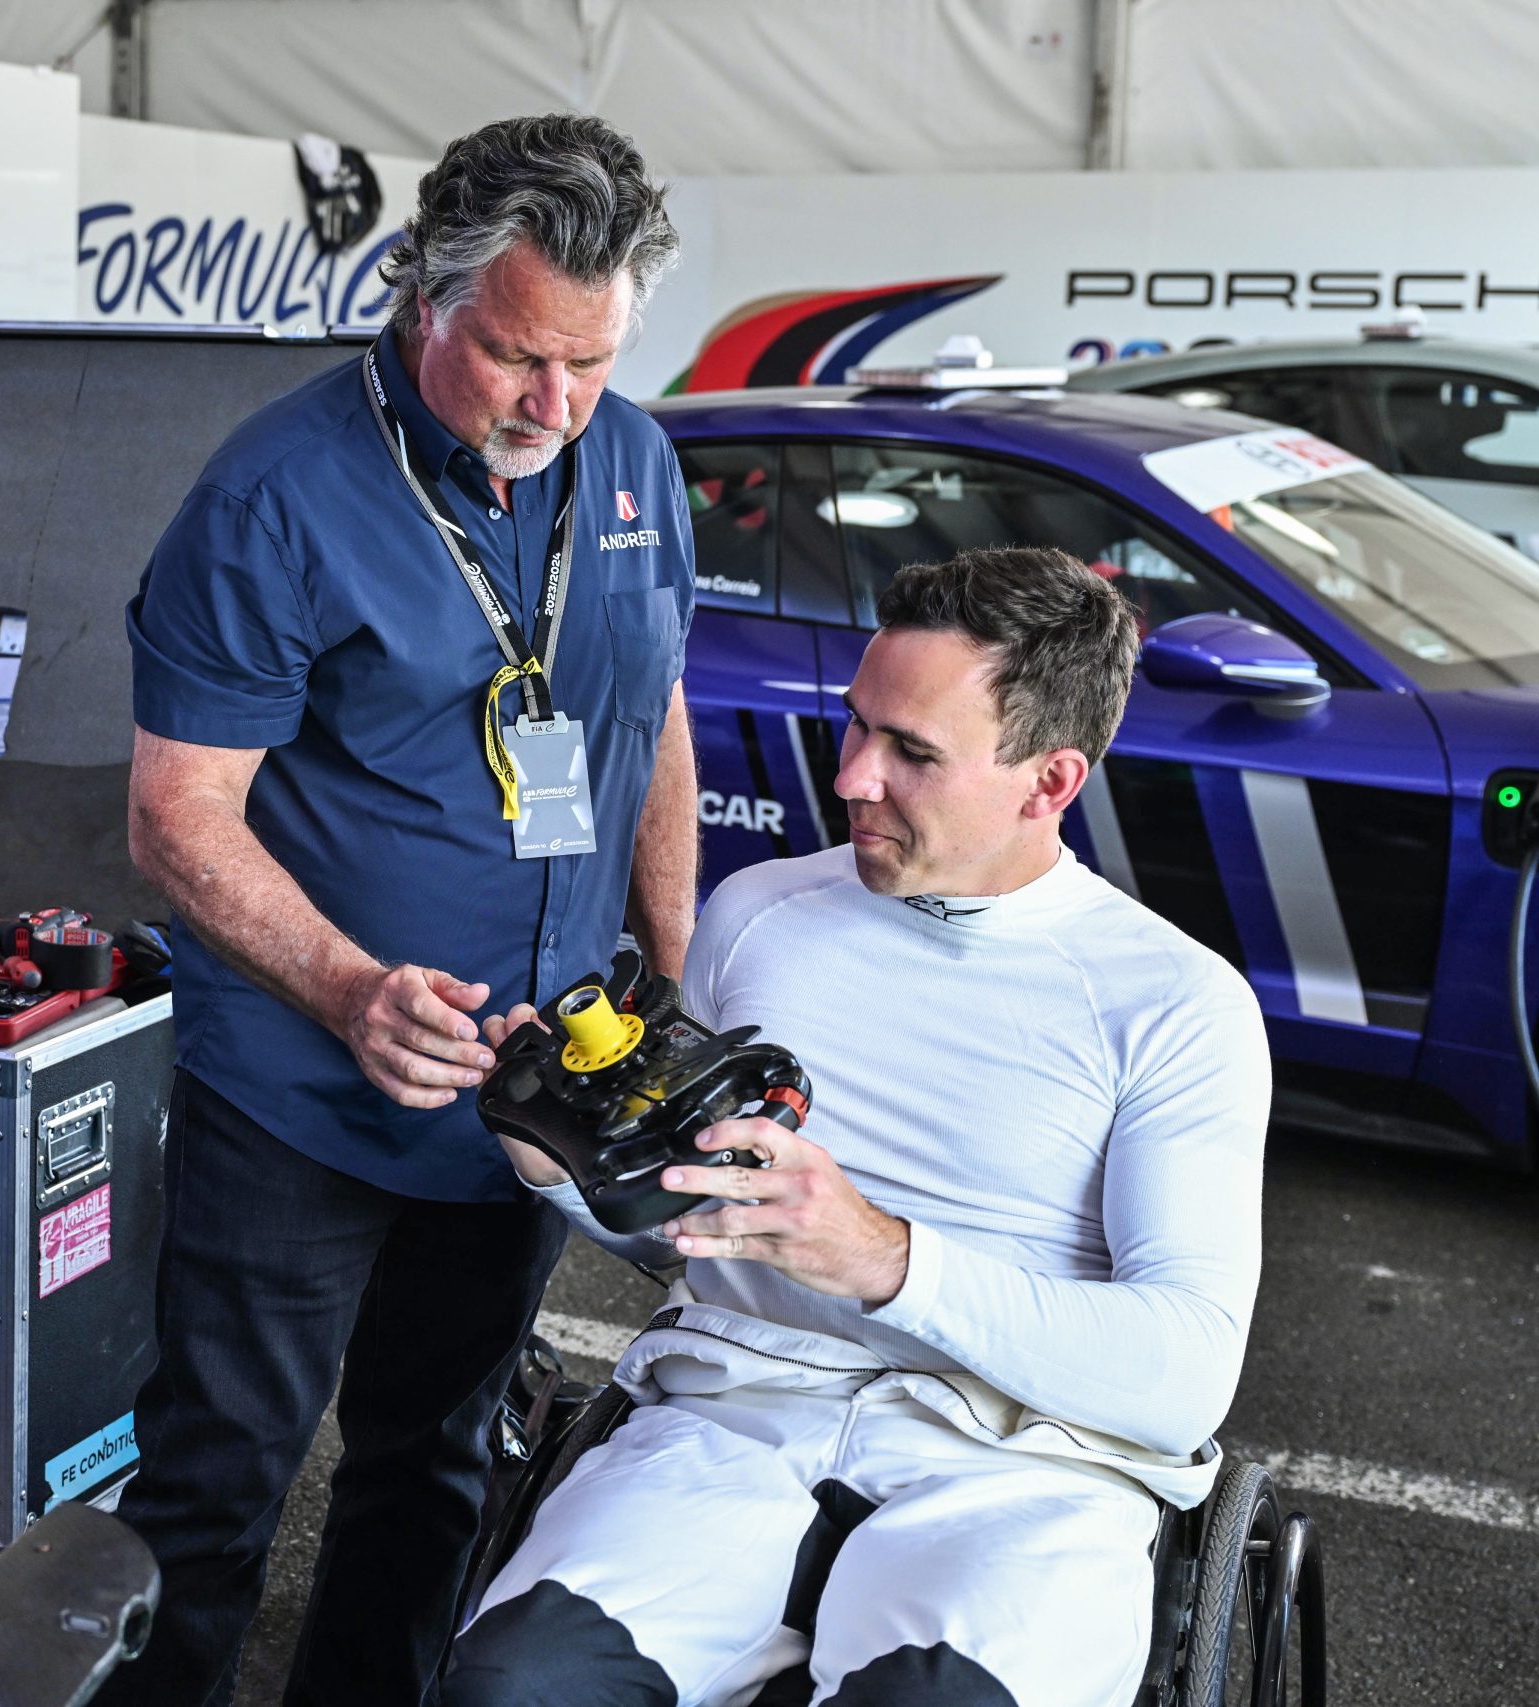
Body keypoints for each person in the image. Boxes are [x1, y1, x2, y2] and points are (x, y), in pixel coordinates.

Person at [445, 546, 1272, 1707]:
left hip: (1022, 1464)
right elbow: (695, 1232)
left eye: (913, 754)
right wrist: (561, 1168)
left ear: (1050, 782)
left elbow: (1181, 1377)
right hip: (736, 1418)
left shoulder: (1174, 1004)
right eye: (857, 726)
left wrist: (885, 1260)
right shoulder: (758, 916)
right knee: (507, 1688)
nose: (852, 779)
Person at [111, 114, 697, 1706]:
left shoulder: (629, 459)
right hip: (302, 1094)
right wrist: (351, 988)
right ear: (418, 295)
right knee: (217, 1486)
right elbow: (178, 823)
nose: (554, 408)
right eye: (516, 357)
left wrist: (675, 956)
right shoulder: (274, 497)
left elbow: (651, 717)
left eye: (590, 364)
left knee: (435, 1469)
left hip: (522, 1096)